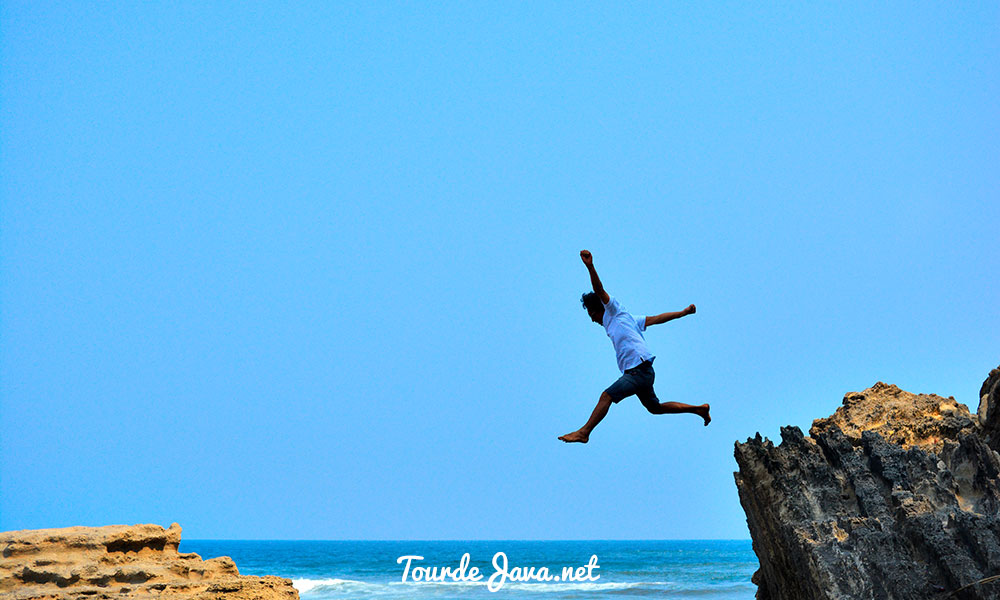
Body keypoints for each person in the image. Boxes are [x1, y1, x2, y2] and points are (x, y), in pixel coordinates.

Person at [558, 250, 711, 444]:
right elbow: (656, 319)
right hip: (643, 373)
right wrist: (682, 313)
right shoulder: (627, 319)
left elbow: (599, 290)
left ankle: (584, 432)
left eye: (592, 315)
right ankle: (698, 409)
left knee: (606, 396)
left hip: (638, 372)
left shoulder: (613, 311)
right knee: (654, 408)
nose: (593, 320)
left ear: (599, 309)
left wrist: (590, 266)